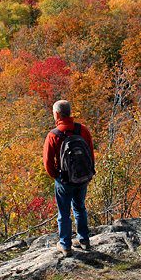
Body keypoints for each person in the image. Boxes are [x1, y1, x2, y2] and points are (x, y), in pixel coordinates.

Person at [43, 99, 95, 257]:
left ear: (57, 114)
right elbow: (91, 154)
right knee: (80, 208)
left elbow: (47, 162)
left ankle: (65, 246)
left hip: (64, 180)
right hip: (82, 177)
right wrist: (88, 173)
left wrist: (57, 176)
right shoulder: (82, 130)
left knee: (64, 212)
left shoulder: (53, 135)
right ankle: (84, 240)